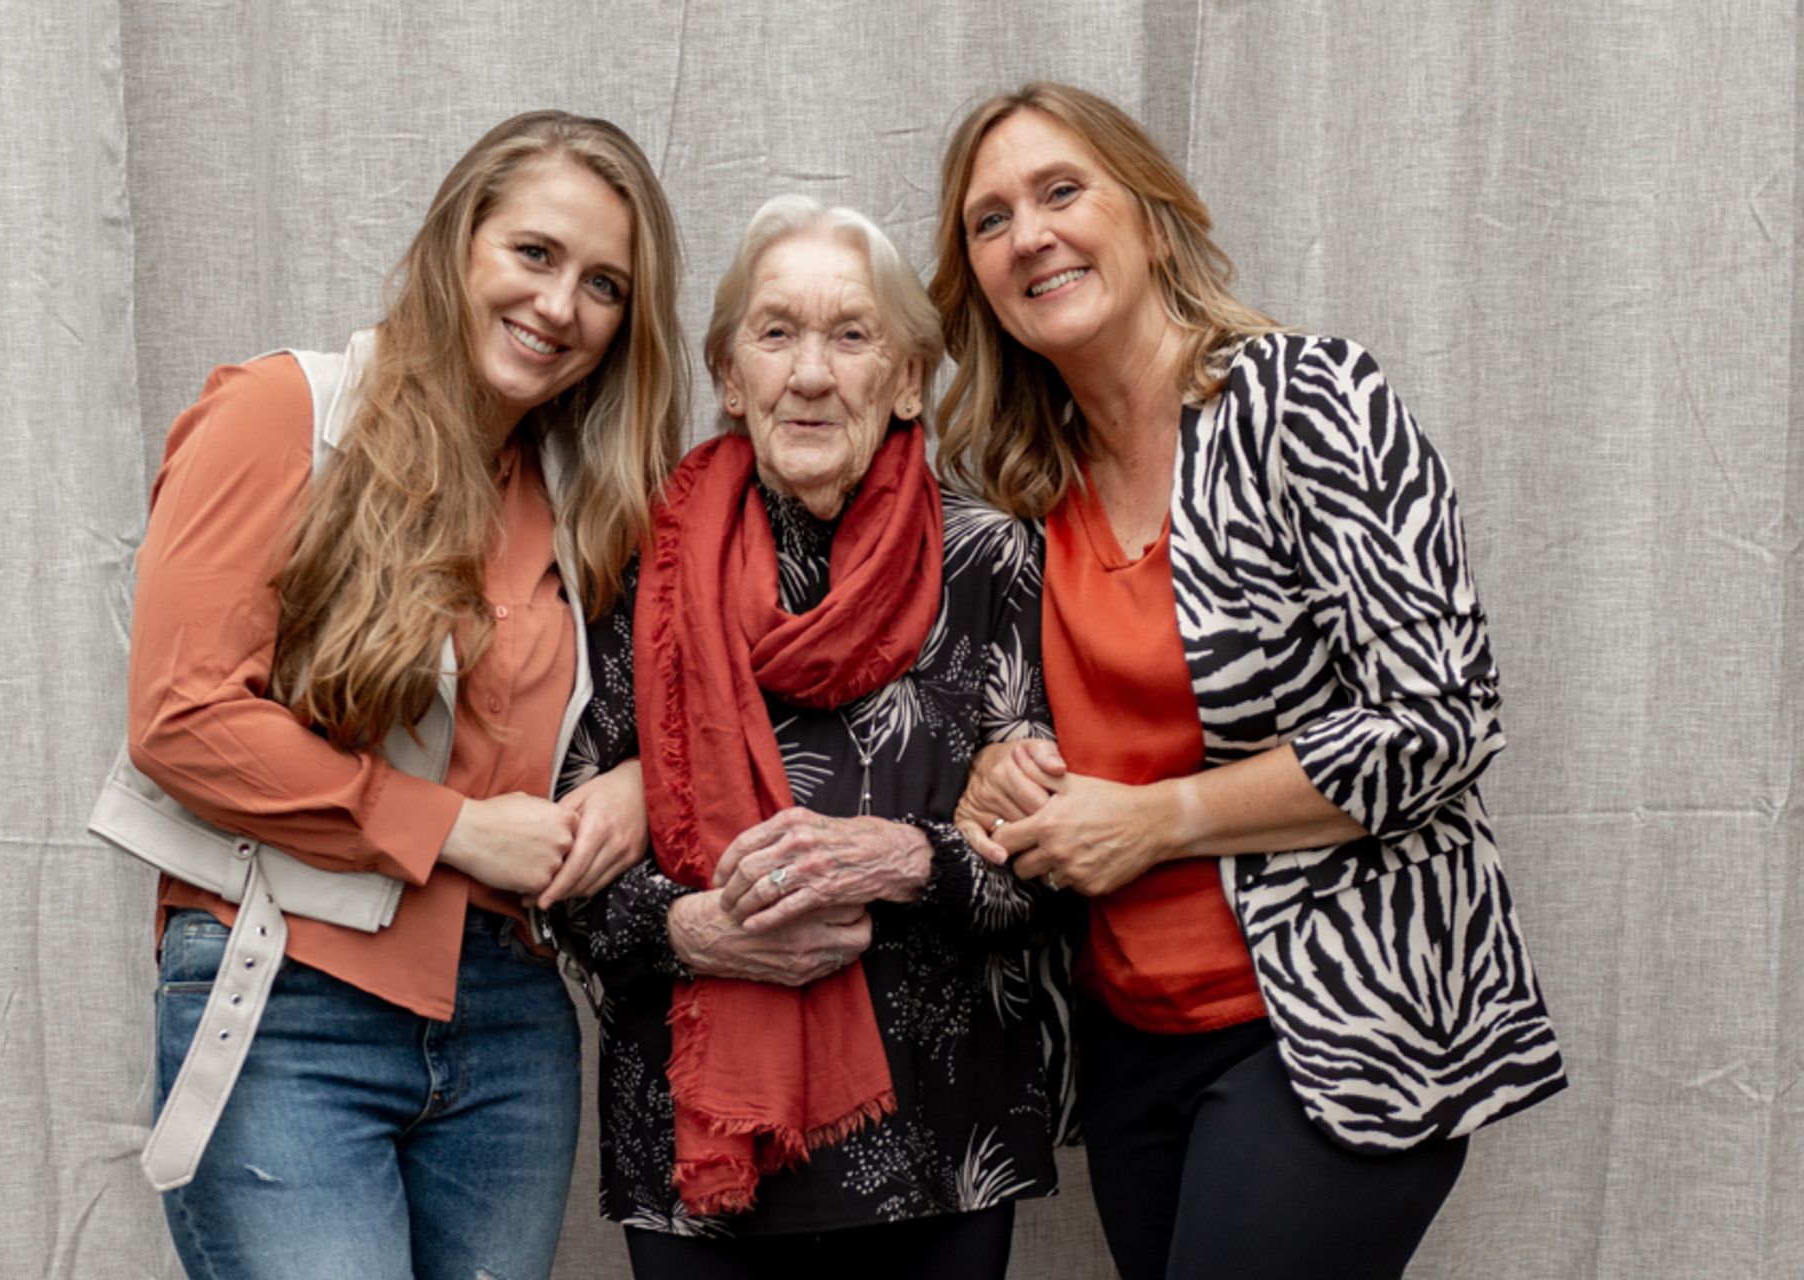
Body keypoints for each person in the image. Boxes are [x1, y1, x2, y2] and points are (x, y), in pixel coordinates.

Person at [931, 82, 1566, 1280]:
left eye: (1062, 190)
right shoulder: (1013, 489)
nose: (1030, 234)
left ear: (1155, 221)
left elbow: (1444, 714)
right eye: (990, 220)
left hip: (1333, 1027)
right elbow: (1003, 730)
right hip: (1129, 1040)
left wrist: (1159, 818)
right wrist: (993, 773)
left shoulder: (1310, 401)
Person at [93, 111, 687, 1280]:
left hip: (513, 1022)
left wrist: (637, 786)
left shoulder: (586, 501)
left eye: (604, 284)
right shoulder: (285, 413)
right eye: (534, 253)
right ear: (457, 243)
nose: (561, 305)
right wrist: (457, 828)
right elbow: (181, 717)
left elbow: (685, 702)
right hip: (290, 1002)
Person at [561, 194, 1069, 1280]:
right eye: (776, 331)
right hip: (701, 1146)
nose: (810, 373)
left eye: (852, 335)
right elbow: (562, 871)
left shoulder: (993, 561)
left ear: (908, 378)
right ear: (730, 376)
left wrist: (906, 857)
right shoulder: (632, 560)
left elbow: (1058, 864)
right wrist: (695, 927)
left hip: (942, 1138)